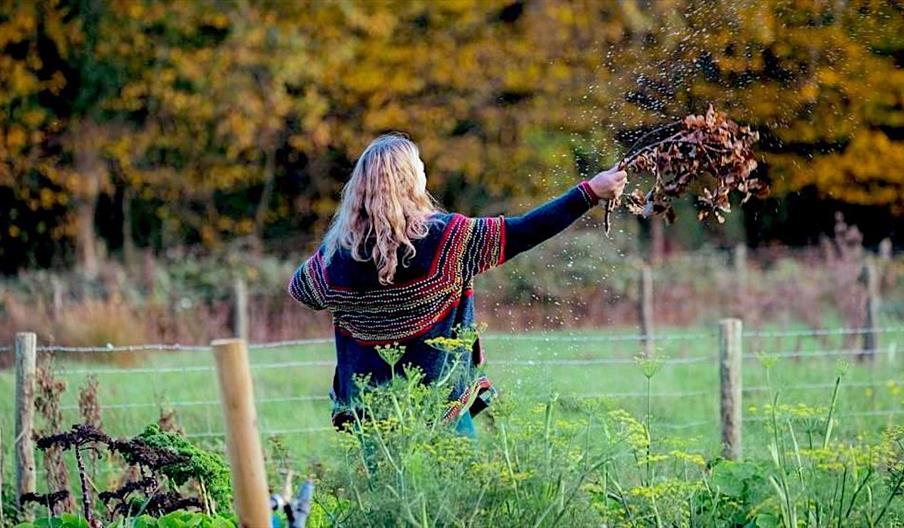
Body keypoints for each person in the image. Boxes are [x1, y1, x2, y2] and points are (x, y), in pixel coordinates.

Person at [288, 133, 626, 436]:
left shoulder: (338, 257)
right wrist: (588, 193)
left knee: (388, 504)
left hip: (375, 422)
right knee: (466, 501)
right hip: (441, 412)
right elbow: (524, 231)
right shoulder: (448, 239)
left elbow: (301, 289)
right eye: (419, 166)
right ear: (411, 180)